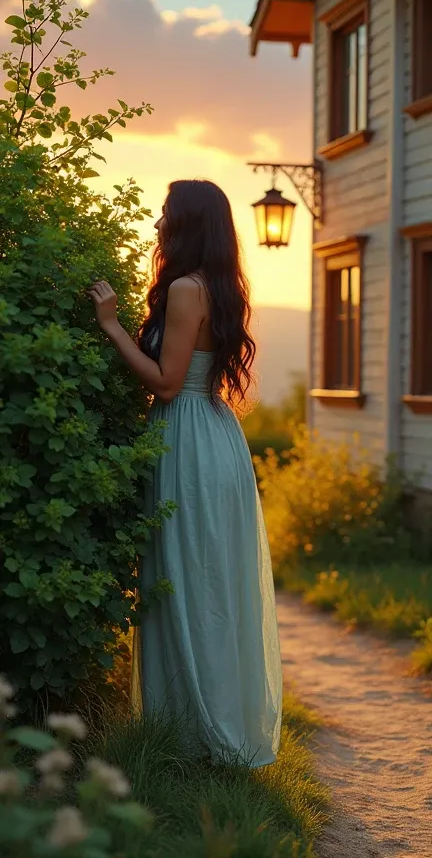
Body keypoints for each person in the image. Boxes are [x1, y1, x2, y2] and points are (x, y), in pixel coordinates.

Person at [88, 178, 282, 767]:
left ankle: (200, 736)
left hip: (186, 438)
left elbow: (168, 383)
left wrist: (112, 325)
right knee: (209, 584)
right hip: (216, 435)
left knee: (185, 582)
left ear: (188, 223)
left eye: (167, 213)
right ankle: (204, 731)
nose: (158, 223)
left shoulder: (184, 290)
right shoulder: (220, 286)